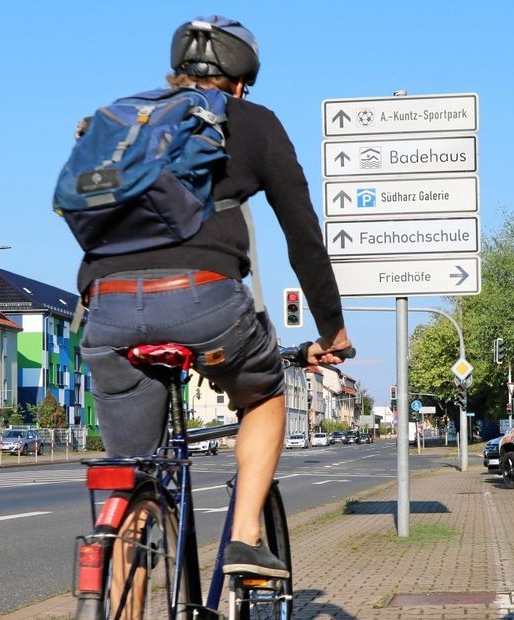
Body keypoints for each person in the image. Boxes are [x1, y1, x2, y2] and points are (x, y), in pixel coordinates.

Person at [78, 16, 351, 579]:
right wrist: (332, 329)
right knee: (265, 396)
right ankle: (247, 535)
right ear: (242, 84)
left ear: (173, 75)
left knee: (134, 473)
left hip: (106, 307)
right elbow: (302, 233)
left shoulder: (124, 122)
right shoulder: (254, 123)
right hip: (203, 302)